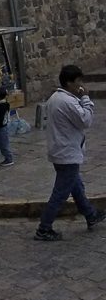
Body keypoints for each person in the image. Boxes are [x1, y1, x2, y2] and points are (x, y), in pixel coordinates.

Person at [34, 65, 105, 241]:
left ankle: (90, 215)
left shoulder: (57, 98)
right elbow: (85, 120)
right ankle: (44, 228)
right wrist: (86, 98)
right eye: (78, 81)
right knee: (60, 193)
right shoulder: (67, 101)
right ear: (68, 82)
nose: (80, 85)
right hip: (67, 153)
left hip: (61, 151)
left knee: (77, 187)